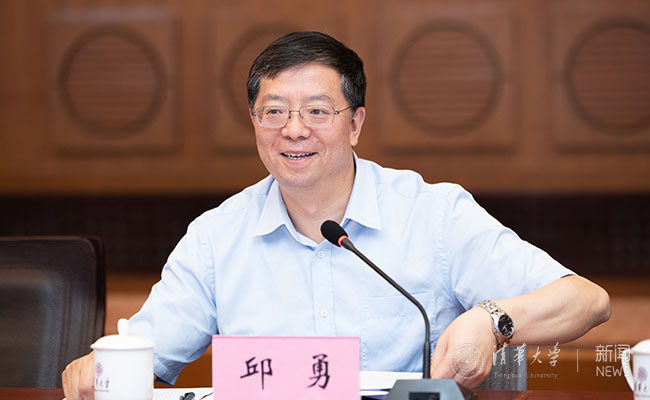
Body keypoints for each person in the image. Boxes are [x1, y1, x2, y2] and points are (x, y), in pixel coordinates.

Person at [62, 31, 610, 399]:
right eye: (274, 111)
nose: (294, 130)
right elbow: (145, 357)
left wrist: (491, 320)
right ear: (254, 123)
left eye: (318, 111)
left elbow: (588, 301)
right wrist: (96, 371)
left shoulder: (434, 215)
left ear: (355, 124)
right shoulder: (215, 238)